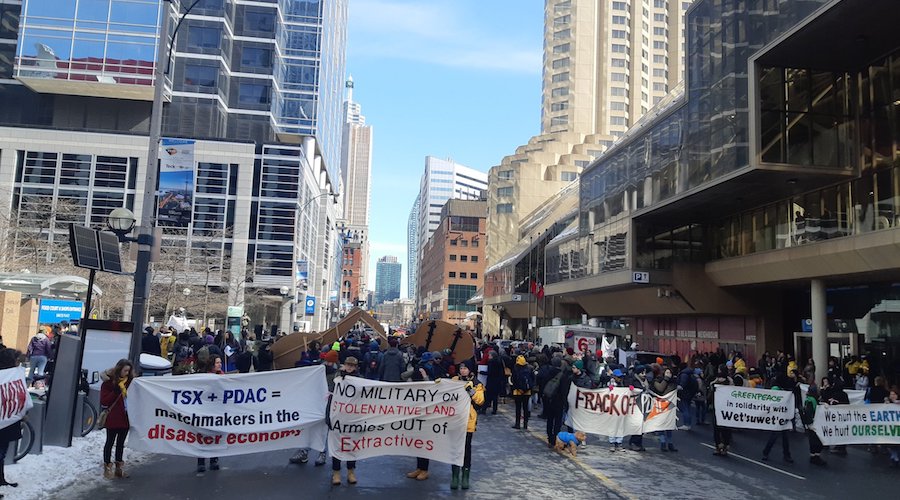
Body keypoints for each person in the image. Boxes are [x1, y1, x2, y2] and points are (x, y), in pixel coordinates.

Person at [450, 361, 484, 490]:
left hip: (468, 421)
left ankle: (465, 477)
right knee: (454, 449)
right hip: (455, 420)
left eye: (466, 368)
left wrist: (471, 391)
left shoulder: (477, 383)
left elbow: (480, 400)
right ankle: (454, 476)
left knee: (466, 450)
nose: (463, 370)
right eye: (461, 368)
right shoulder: (454, 380)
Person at [100, 359, 134, 479]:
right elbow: (104, 401)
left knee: (120, 444)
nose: (126, 373)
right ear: (119, 369)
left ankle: (119, 468)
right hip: (114, 417)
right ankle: (107, 467)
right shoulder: (108, 383)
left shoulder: (130, 383)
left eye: (128, 371)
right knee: (110, 442)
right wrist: (115, 392)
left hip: (125, 417)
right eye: (125, 370)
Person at [331, 357, 360, 485]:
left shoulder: (360, 380)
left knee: (351, 447)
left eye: (352, 366)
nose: (350, 367)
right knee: (336, 446)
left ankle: (350, 472)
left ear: (355, 367)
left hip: (352, 418)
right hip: (337, 417)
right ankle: (336, 473)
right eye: (348, 365)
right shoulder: (338, 377)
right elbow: (331, 395)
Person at [0, 348, 23, 493]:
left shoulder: (13, 376)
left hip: (8, 419)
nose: (18, 363)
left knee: (2, 452)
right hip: (4, 420)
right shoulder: (5, 377)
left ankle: (1, 479)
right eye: (16, 360)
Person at [197, 356, 223, 473]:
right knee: (202, 436)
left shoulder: (222, 376)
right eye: (217, 363)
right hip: (205, 411)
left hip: (217, 411)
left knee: (215, 436)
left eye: (220, 362)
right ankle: (201, 461)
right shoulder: (204, 377)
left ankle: (214, 460)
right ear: (212, 364)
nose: (219, 365)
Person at [652, 367, 678, 452]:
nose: (668, 375)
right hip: (660, 405)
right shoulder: (658, 380)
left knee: (669, 425)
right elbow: (660, 389)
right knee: (662, 425)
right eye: (667, 373)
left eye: (669, 373)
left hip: (670, 405)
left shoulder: (673, 382)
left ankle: (670, 443)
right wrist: (666, 379)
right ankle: (663, 443)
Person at [710, 367, 733, 457]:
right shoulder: (730, 383)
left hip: (720, 408)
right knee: (724, 429)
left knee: (717, 429)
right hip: (725, 409)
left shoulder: (716, 384)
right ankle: (724, 447)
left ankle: (718, 446)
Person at [800, 385, 826, 466]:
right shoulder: (811, 401)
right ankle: (815, 457)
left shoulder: (812, 399)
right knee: (816, 441)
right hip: (813, 424)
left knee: (815, 440)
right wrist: (810, 424)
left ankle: (814, 456)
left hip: (815, 423)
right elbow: (809, 412)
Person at [510, 355, 534, 430]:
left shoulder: (516, 369)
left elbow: (514, 380)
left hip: (518, 392)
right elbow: (533, 379)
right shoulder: (530, 368)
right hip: (527, 392)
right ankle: (525, 424)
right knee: (525, 408)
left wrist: (518, 388)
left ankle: (517, 424)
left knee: (518, 408)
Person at [483, 350, 504, 415]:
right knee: (495, 397)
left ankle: (484, 409)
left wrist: (481, 372)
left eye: (489, 355)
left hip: (491, 381)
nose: (488, 357)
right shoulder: (500, 361)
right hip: (497, 382)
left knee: (487, 396)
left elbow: (489, 373)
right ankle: (494, 410)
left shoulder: (491, 362)